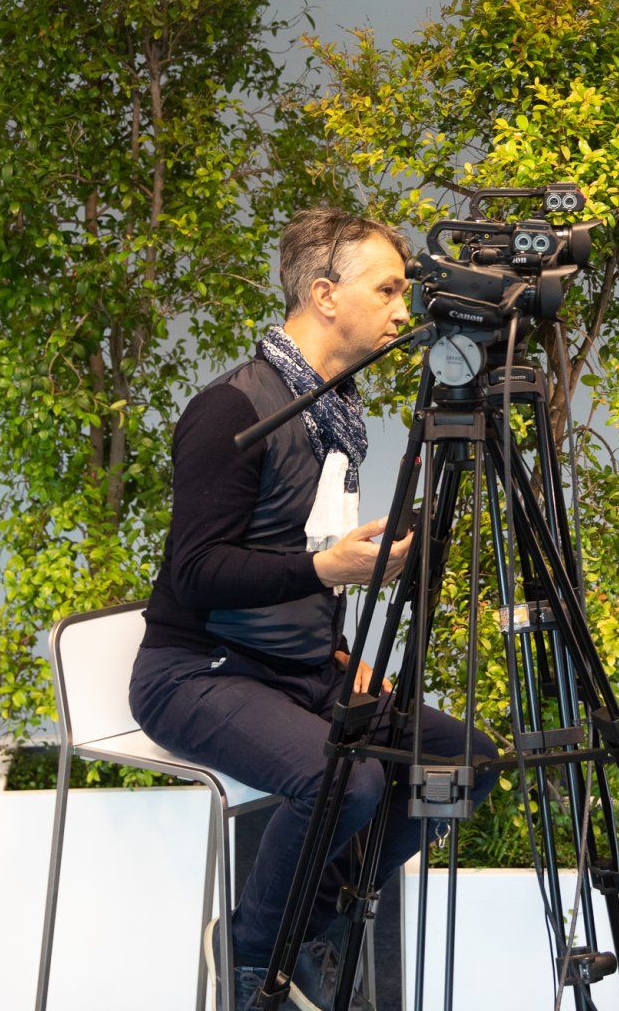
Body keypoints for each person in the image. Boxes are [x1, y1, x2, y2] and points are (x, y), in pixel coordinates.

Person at [130, 207, 499, 1010]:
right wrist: (329, 568)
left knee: (461, 761)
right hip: (197, 672)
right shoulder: (232, 410)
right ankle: (252, 956)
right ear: (326, 296)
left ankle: (309, 919)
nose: (404, 309)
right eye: (388, 289)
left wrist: (337, 643)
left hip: (300, 670)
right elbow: (197, 573)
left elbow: (298, 551)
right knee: (348, 783)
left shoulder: (335, 413)